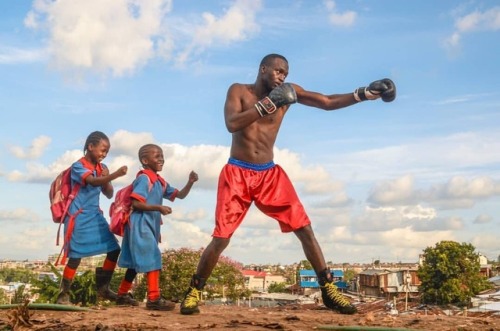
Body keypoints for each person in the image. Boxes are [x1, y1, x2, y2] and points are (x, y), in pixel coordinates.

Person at [180, 53, 396, 315]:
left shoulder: (288, 93)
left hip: (269, 174)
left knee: (304, 228)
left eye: (285, 73)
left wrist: (366, 93)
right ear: (262, 69)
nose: (282, 77)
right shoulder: (239, 91)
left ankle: (328, 290)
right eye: (278, 71)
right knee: (221, 238)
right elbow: (231, 123)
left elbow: (326, 102)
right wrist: (266, 105)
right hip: (237, 172)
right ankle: (194, 291)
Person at [116, 144, 198, 310]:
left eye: (162, 156)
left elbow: (179, 195)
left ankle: (122, 294)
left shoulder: (160, 182)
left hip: (148, 226)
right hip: (140, 224)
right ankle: (153, 299)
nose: (161, 159)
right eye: (157, 156)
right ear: (145, 161)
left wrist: (190, 182)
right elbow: (136, 203)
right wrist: (158, 208)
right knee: (153, 256)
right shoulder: (144, 178)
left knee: (133, 262)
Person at [56, 131, 128, 305]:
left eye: (106, 152)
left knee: (113, 249)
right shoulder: (78, 166)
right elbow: (91, 182)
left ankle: (103, 288)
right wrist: (114, 175)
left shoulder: (99, 169)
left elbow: (109, 193)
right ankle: (63, 294)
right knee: (75, 256)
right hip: (78, 217)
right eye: (102, 150)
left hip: (95, 216)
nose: (103, 155)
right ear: (90, 147)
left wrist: (107, 177)